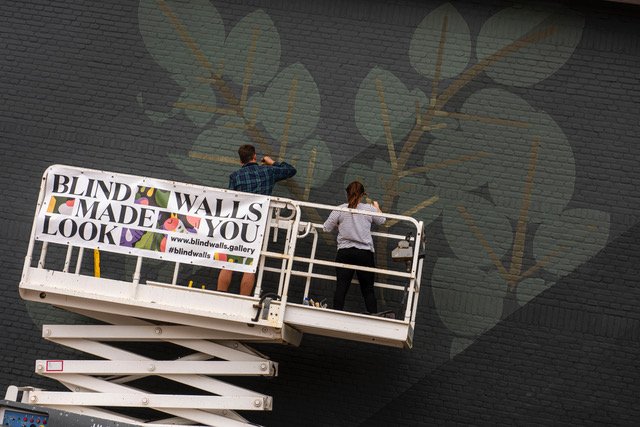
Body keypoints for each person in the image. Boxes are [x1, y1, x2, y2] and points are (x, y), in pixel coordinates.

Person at [217, 144, 296, 296]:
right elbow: (290, 170)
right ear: (254, 156)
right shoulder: (267, 171)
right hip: (258, 224)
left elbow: (230, 200)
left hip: (237, 223)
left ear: (241, 160)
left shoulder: (235, 176)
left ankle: (219, 296)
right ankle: (244, 300)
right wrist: (271, 162)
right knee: (249, 264)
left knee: (228, 263)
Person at [323, 181, 385, 313]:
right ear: (362, 195)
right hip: (365, 254)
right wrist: (377, 207)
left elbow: (326, 228)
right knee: (368, 289)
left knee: (341, 288)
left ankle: (335, 315)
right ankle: (373, 317)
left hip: (345, 253)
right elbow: (382, 220)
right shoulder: (369, 209)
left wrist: (340, 224)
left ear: (347, 193)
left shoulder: (340, 209)